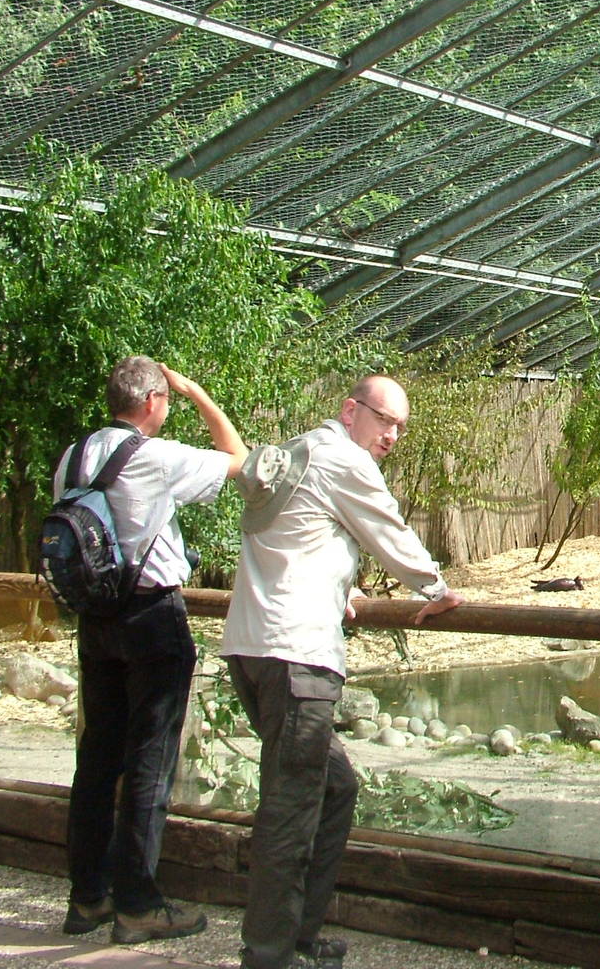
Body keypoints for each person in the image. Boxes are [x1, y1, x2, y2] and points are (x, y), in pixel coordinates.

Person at [222, 374, 462, 969]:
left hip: (252, 648)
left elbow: (298, 539)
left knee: (334, 787)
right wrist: (435, 587)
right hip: (297, 658)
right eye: (385, 420)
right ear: (350, 410)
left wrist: (340, 588)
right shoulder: (341, 458)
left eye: (400, 426)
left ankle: (296, 937)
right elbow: (386, 528)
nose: (392, 435)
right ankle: (268, 955)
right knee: (290, 807)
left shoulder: (294, 455)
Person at [57, 356, 246, 943]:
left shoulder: (74, 455)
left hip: (96, 617)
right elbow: (237, 459)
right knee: (150, 761)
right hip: (151, 619)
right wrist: (196, 392)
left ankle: (87, 897)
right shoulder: (155, 457)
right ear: (153, 403)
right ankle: (139, 903)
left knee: (97, 758)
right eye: (166, 398)